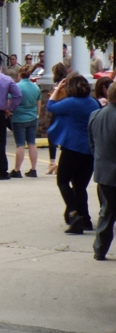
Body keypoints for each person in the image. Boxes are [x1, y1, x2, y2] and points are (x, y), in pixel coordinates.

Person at [47, 74, 101, 234]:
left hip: (72, 147)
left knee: (62, 181)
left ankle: (73, 213)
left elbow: (50, 106)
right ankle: (85, 220)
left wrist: (57, 89)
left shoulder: (71, 103)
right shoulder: (93, 102)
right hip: (89, 149)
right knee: (80, 186)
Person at [89, 83, 116, 260]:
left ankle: (100, 249)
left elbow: (92, 144)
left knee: (106, 212)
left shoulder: (95, 115)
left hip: (103, 172)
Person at [10, 65, 42, 178]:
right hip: (32, 117)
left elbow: (10, 101)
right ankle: (33, 169)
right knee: (32, 143)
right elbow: (38, 104)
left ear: (20, 74)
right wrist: (37, 115)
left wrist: (9, 111)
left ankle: (17, 169)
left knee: (20, 144)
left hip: (19, 118)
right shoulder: (36, 87)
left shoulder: (16, 87)